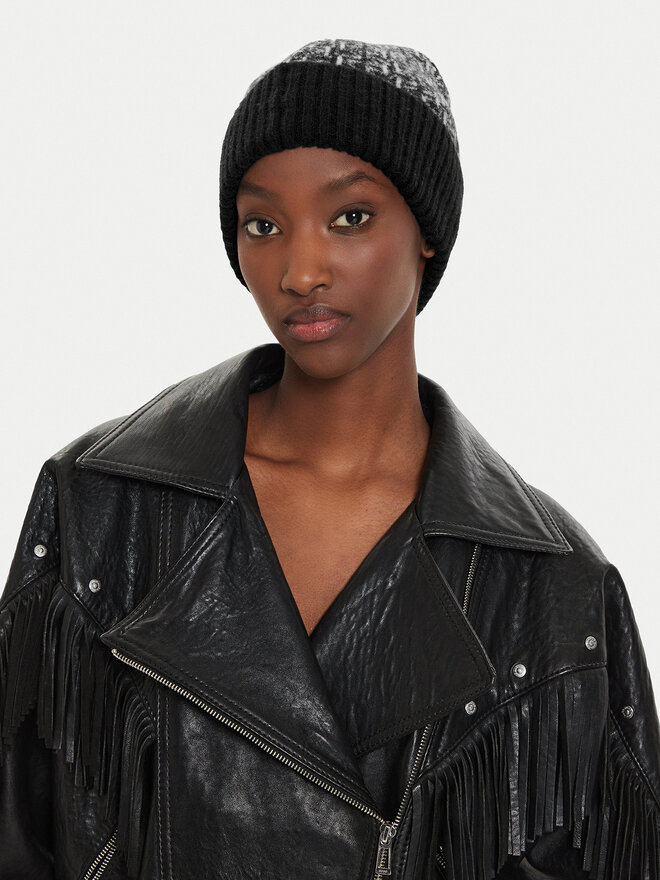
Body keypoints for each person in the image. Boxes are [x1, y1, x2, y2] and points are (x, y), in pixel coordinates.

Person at [0, 37, 658, 880]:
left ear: (427, 233)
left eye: (350, 217)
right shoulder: (101, 508)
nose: (300, 270)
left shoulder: (555, 589)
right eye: (263, 225)